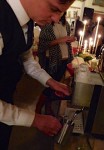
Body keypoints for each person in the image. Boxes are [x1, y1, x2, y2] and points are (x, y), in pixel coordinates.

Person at [0, 0, 75, 149]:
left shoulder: (27, 20)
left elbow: (27, 59)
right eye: (54, 9)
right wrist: (35, 120)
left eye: (61, 12)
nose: (56, 18)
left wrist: (51, 82)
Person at [37, 12, 76, 114]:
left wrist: (70, 39)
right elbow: (42, 45)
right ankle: (39, 107)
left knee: (55, 86)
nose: (60, 13)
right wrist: (61, 40)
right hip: (51, 60)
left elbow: (66, 42)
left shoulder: (66, 24)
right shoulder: (48, 25)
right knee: (49, 86)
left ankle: (47, 106)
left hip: (64, 59)